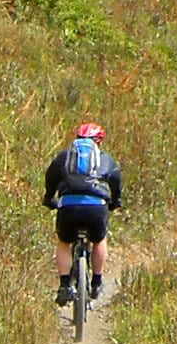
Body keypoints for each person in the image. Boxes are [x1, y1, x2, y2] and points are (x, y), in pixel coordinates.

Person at [43, 121, 123, 307]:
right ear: (99, 142)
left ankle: (64, 285)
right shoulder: (105, 159)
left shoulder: (64, 157)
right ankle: (96, 282)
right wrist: (115, 202)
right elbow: (116, 182)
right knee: (99, 240)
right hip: (96, 208)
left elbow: (51, 178)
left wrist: (49, 199)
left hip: (68, 207)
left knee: (64, 242)